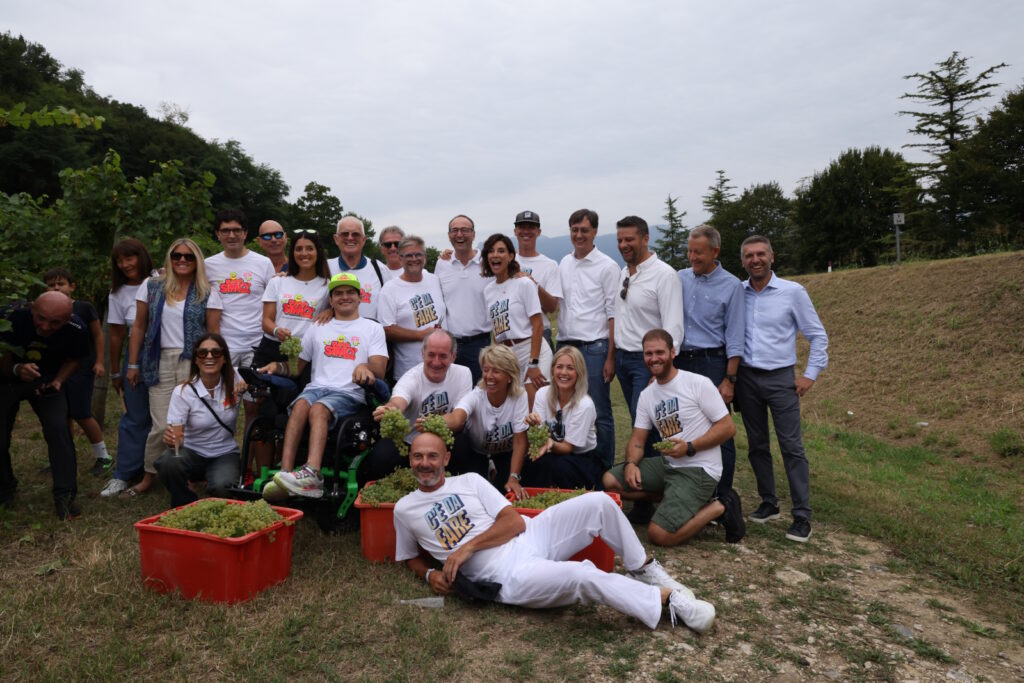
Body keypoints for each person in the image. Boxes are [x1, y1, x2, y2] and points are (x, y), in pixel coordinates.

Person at [393, 431, 716, 634]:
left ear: (445, 458)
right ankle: (667, 600)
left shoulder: (470, 482)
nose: (424, 463)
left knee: (600, 503)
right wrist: (428, 575)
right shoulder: (404, 509)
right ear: (410, 460)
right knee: (582, 576)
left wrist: (466, 549)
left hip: (531, 534)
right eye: (417, 456)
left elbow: (514, 522)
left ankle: (644, 568)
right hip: (509, 575)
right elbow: (410, 558)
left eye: (432, 455)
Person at [603, 329, 745, 546]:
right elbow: (638, 440)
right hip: (668, 465)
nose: (653, 358)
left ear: (672, 352)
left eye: (659, 352)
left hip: (699, 469)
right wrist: (631, 463)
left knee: (659, 535)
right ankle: (678, 501)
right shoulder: (647, 395)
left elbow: (728, 428)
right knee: (610, 482)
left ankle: (721, 506)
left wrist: (690, 447)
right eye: (648, 354)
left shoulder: (697, 383)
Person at [734, 235, 828, 543]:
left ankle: (802, 516)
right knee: (757, 444)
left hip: (781, 378)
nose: (755, 260)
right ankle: (769, 502)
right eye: (749, 255)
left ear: (771, 257)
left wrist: (810, 375)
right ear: (743, 260)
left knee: (792, 447)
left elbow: (817, 336)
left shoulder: (792, 292)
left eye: (761, 254)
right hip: (747, 378)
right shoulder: (739, 293)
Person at [266, 273, 388, 498]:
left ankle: (312, 474)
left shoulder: (372, 328)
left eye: (350, 292)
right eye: (338, 293)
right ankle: (285, 474)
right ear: (330, 301)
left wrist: (364, 365)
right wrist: (276, 366)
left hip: (349, 392)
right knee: (301, 404)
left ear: (360, 297)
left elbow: (379, 369)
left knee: (318, 408)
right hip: (316, 388)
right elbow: (296, 368)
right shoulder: (318, 326)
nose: (344, 297)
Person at [125, 238, 215, 496]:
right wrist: (133, 363)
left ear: (197, 260)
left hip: (194, 361)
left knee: (193, 421)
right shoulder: (152, 286)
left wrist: (212, 367)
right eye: (177, 256)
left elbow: (214, 332)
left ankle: (190, 475)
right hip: (158, 359)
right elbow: (139, 326)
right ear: (170, 258)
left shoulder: (207, 291)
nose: (182, 261)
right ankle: (149, 475)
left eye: (189, 256)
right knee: (162, 423)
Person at [613, 215, 685, 524]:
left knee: (650, 430)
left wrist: (662, 368)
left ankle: (654, 497)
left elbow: (673, 325)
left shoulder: (663, 275)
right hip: (625, 361)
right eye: (620, 240)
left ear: (645, 239)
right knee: (639, 424)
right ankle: (644, 491)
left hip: (648, 363)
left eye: (630, 239)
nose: (624, 245)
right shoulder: (623, 273)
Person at [1, 291, 88, 519]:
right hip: (6, 377)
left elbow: (75, 359)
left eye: (55, 322)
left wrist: (59, 381)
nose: (46, 326)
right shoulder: (10, 317)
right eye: (41, 318)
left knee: (59, 429)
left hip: (47, 378)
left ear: (68, 318)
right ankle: (4, 488)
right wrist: (16, 370)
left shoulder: (76, 328)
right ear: (32, 308)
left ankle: (65, 497)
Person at [675, 225, 744, 497]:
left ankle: (723, 495)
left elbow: (736, 335)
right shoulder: (679, 278)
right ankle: (688, 488)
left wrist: (730, 379)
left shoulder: (731, 285)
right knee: (681, 423)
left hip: (711, 362)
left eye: (699, 252)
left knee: (719, 428)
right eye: (690, 251)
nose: (693, 257)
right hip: (680, 360)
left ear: (715, 251)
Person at [366, 329, 473, 483]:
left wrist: (432, 423)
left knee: (462, 444)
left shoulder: (463, 374)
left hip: (442, 441)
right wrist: (389, 410)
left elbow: (458, 420)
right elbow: (398, 402)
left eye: (443, 356)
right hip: (409, 443)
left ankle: (455, 491)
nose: (436, 362)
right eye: (431, 355)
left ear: (453, 357)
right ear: (422, 354)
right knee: (381, 455)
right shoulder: (410, 379)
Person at [556, 208, 619, 467]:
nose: (579, 235)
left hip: (595, 347)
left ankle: (603, 471)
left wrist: (610, 356)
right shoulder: (564, 262)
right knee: (567, 408)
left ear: (595, 232)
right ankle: (575, 466)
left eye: (584, 230)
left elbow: (614, 313)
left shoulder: (607, 266)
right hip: (565, 344)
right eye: (574, 230)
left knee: (599, 411)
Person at [154, 334, 247, 507]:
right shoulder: (183, 391)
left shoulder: (235, 379)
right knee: (169, 462)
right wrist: (171, 441)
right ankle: (185, 502)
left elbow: (262, 379)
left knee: (223, 488)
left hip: (224, 453)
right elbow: (177, 438)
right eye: (203, 353)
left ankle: (213, 488)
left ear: (225, 358)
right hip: (192, 452)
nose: (209, 357)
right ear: (196, 360)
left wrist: (246, 386)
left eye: (216, 352)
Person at [43, 268, 111, 476]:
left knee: (81, 413)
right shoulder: (44, 308)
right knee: (61, 414)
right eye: (51, 285)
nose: (56, 288)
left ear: (72, 286)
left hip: (82, 367)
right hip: (56, 368)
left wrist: (99, 362)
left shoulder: (83, 308)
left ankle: (104, 457)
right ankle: (64, 457)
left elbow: (98, 336)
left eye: (60, 284)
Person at [101, 239, 155, 497]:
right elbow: (116, 334)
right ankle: (125, 472)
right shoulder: (117, 293)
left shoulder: (160, 280)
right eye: (119, 261)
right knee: (134, 415)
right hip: (136, 356)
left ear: (141, 256)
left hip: (166, 352)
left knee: (170, 413)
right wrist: (115, 371)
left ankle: (169, 469)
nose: (125, 265)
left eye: (129, 258)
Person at [440, 344, 532, 498]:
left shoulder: (519, 396)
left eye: (496, 371)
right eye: (486, 370)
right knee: (478, 495)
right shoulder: (477, 395)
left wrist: (514, 477)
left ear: (509, 376)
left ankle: (497, 473)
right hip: (477, 454)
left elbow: (520, 441)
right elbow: (457, 418)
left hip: (505, 454)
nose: (489, 376)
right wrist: (432, 422)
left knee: (504, 493)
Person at [481, 233, 551, 405]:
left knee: (534, 406)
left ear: (511, 256)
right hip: (508, 356)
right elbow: (497, 331)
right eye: (491, 251)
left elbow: (538, 325)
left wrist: (533, 364)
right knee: (514, 406)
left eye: (501, 251)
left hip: (531, 350)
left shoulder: (523, 283)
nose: (495, 255)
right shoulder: (488, 291)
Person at [205, 208, 276, 371]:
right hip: (224, 345)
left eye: (236, 230)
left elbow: (274, 303)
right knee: (226, 394)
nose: (231, 235)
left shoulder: (263, 263)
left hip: (257, 344)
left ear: (245, 233)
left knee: (255, 395)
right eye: (225, 231)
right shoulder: (207, 265)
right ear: (217, 234)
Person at [525, 345, 603, 489]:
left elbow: (567, 448)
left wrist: (551, 444)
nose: (563, 372)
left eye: (570, 368)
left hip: (582, 458)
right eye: (559, 367)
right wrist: (533, 425)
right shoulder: (542, 394)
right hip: (552, 452)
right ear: (553, 370)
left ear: (579, 372)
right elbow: (540, 437)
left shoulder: (584, 404)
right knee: (531, 462)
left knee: (558, 466)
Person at [256, 229, 331, 373]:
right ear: (292, 253)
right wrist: (277, 330)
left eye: (310, 248)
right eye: (299, 249)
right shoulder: (278, 281)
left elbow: (344, 310)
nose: (304, 253)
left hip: (306, 354)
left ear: (318, 252)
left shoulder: (327, 285)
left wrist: (331, 311)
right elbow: (266, 321)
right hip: (272, 347)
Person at [378, 236, 447, 380]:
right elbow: (386, 329)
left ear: (425, 257)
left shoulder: (434, 280)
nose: (414, 259)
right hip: (409, 371)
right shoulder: (390, 289)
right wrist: (420, 335)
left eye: (418, 254)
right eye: (408, 255)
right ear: (400, 258)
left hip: (443, 367)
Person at [433, 214, 492, 384]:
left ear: (473, 234)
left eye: (465, 230)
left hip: (480, 343)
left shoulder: (487, 262)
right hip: (450, 344)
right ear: (449, 235)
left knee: (480, 393)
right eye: (455, 230)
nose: (460, 235)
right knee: (450, 393)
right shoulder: (442, 264)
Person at [512, 210, 561, 350]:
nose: (526, 231)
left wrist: (533, 284)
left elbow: (552, 307)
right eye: (522, 227)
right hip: (511, 334)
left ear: (539, 232)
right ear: (515, 231)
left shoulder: (550, 265)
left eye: (531, 227)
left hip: (539, 332)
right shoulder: (506, 261)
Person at [328, 216, 391, 321]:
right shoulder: (325, 267)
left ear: (364, 239)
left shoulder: (380, 270)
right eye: (344, 234)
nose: (350, 238)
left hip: (372, 336)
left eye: (355, 234)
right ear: (336, 239)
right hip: (334, 336)